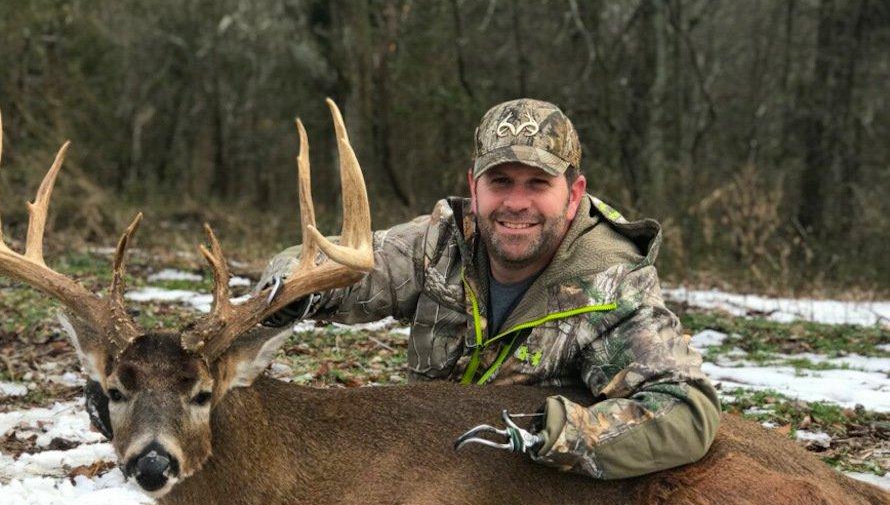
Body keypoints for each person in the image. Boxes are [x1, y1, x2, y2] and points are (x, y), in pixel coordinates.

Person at [258, 98, 720, 479]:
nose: (516, 203)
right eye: (500, 182)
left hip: (523, 497)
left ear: (574, 193)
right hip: (423, 471)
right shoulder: (439, 245)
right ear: (474, 188)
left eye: (538, 183)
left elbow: (687, 410)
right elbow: (312, 263)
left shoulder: (611, 286)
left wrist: (551, 433)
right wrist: (284, 294)